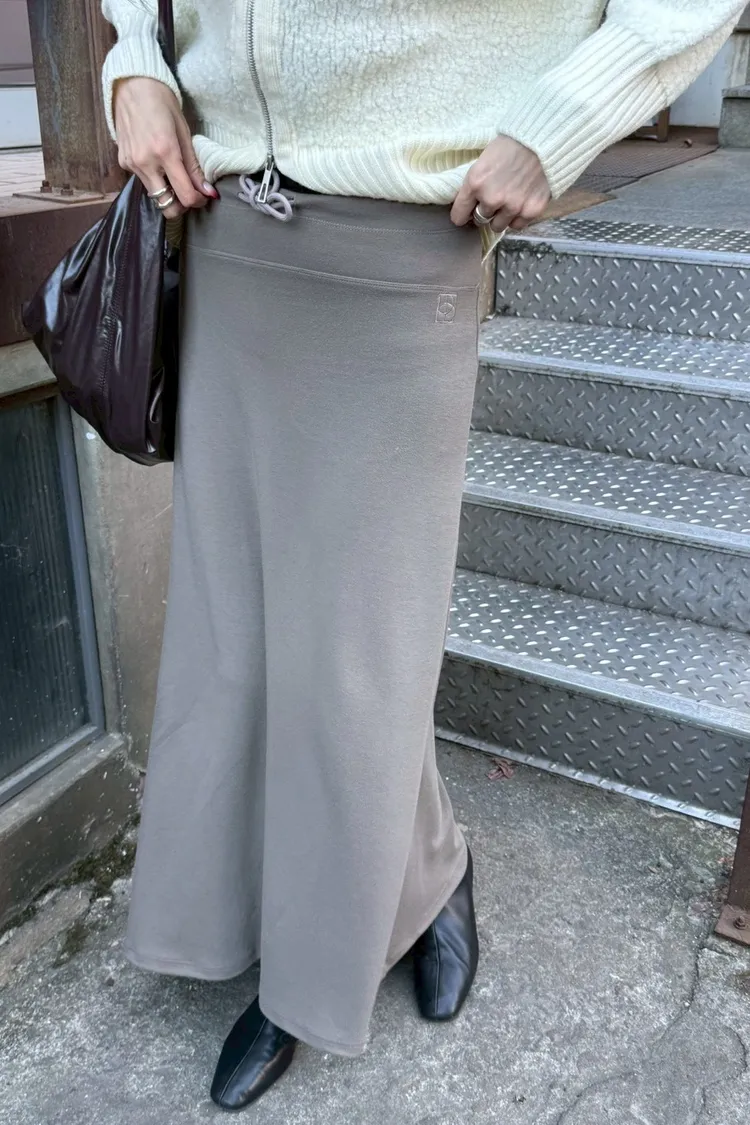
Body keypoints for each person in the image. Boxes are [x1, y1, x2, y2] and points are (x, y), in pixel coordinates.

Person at [101, 0, 745, 1110]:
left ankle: (307, 980)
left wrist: (560, 119)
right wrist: (136, 60)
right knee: (236, 631)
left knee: (352, 656)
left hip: (398, 233)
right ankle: (428, 867)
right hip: (220, 225)